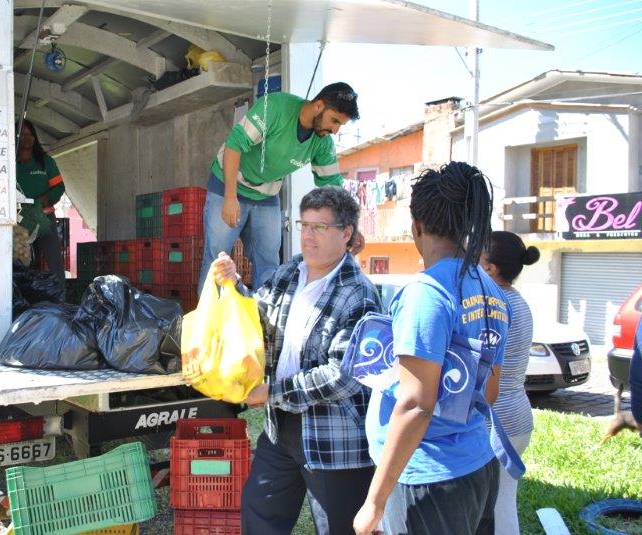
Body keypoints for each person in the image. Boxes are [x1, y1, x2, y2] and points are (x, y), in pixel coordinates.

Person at [211, 186, 382, 535]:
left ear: (346, 233)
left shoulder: (359, 293)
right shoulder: (291, 272)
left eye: (320, 227)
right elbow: (257, 314)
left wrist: (271, 391)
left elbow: (342, 376)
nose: (307, 235)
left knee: (341, 528)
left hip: (333, 439)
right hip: (280, 429)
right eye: (304, 224)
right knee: (259, 514)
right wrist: (234, 284)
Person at [354, 162, 511, 535]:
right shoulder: (490, 290)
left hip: (427, 479)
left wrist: (373, 504)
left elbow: (415, 405)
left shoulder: (425, 293)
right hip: (476, 465)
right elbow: (490, 390)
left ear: (417, 227)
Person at [198, 82, 360, 292]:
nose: (335, 130)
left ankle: (266, 320)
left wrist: (352, 228)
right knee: (216, 259)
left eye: (340, 125)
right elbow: (234, 144)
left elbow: (333, 187)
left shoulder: (322, 142)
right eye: (334, 120)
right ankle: (208, 324)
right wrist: (230, 197)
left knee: (269, 264)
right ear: (319, 106)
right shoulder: (275, 107)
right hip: (228, 185)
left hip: (266, 195)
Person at [480, 231, 540, 535]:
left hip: (496, 423)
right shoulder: (518, 301)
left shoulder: (492, 305)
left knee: (488, 510)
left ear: (490, 269)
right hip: (517, 416)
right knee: (503, 504)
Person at [16, 120, 66, 289]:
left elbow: (59, 187)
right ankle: (20, 300)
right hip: (19, 220)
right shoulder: (9, 162)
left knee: (54, 262)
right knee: (20, 262)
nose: (26, 138)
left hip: (44, 218)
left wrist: (47, 198)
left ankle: (60, 300)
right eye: (22, 134)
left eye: (30, 134)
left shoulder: (46, 161)